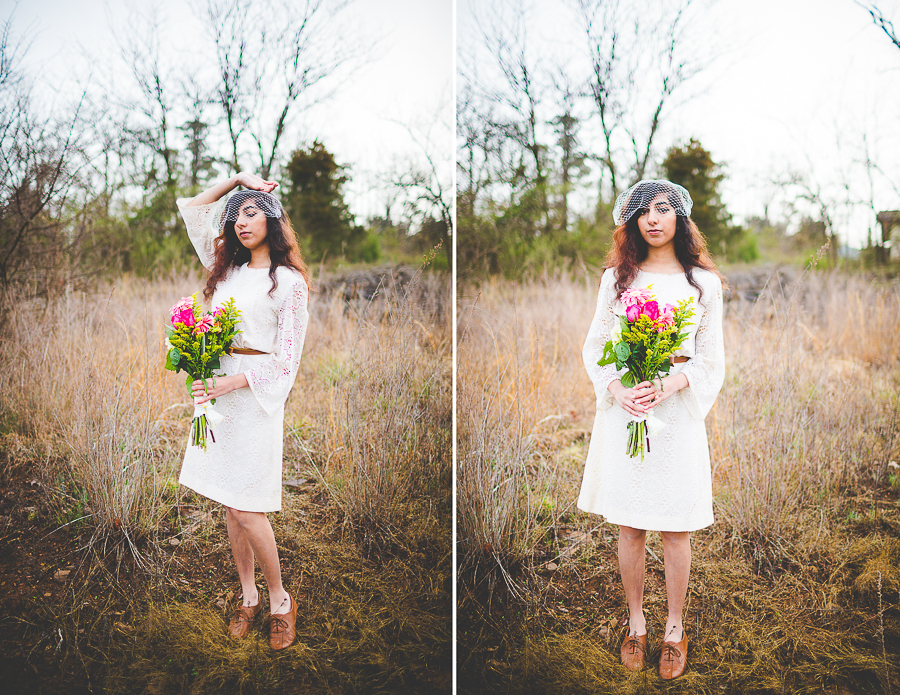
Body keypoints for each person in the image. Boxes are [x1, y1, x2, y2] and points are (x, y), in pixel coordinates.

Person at [577, 179, 725, 679]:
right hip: (628, 411)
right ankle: (636, 622)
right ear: (633, 222)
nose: (653, 218)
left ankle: (675, 629)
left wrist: (670, 384)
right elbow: (597, 344)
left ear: (680, 218)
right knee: (631, 521)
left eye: (663, 209)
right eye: (643, 211)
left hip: (675, 412)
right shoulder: (618, 279)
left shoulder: (703, 283)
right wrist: (619, 389)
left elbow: (710, 359)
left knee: (675, 524)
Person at [176, 172, 311, 650]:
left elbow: (287, 358)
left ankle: (280, 600)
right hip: (216, 392)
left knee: (246, 505)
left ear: (272, 219)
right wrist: (234, 181)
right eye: (234, 215)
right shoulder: (227, 272)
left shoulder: (289, 283)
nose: (239, 221)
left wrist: (233, 381)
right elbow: (193, 208)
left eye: (251, 211)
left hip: (255, 393)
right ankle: (248, 596)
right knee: (229, 504)